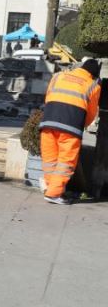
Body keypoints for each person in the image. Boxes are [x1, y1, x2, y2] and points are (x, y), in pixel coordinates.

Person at [38, 59, 101, 204]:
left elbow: (48, 97)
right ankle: (54, 194)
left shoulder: (58, 76)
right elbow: (91, 113)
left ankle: (51, 187)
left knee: (50, 159)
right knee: (66, 161)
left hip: (48, 121)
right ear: (93, 74)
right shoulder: (93, 85)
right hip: (70, 127)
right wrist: (82, 124)